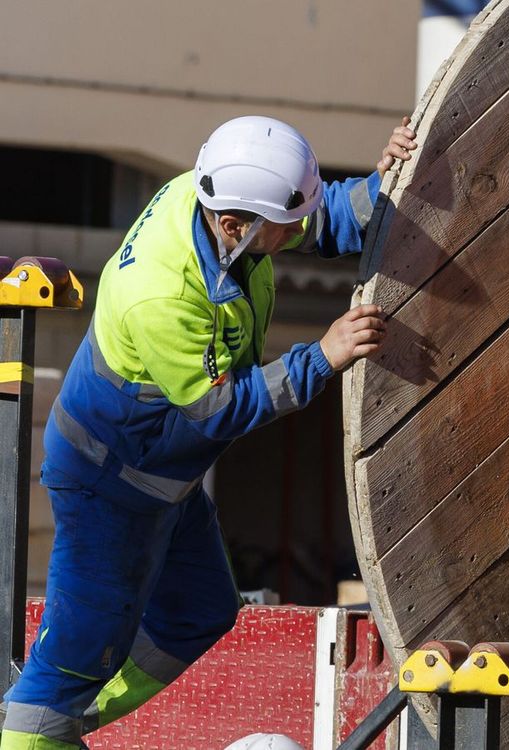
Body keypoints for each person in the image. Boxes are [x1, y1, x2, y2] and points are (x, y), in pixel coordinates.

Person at [0, 114, 417, 749]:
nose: (294, 235)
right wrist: (322, 356)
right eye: (283, 226)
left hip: (163, 473)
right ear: (233, 225)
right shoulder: (162, 293)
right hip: (108, 483)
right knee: (74, 658)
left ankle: (60, 725)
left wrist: (384, 186)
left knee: (200, 610)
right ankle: (36, 727)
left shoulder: (222, 202)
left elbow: (319, 218)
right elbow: (218, 409)